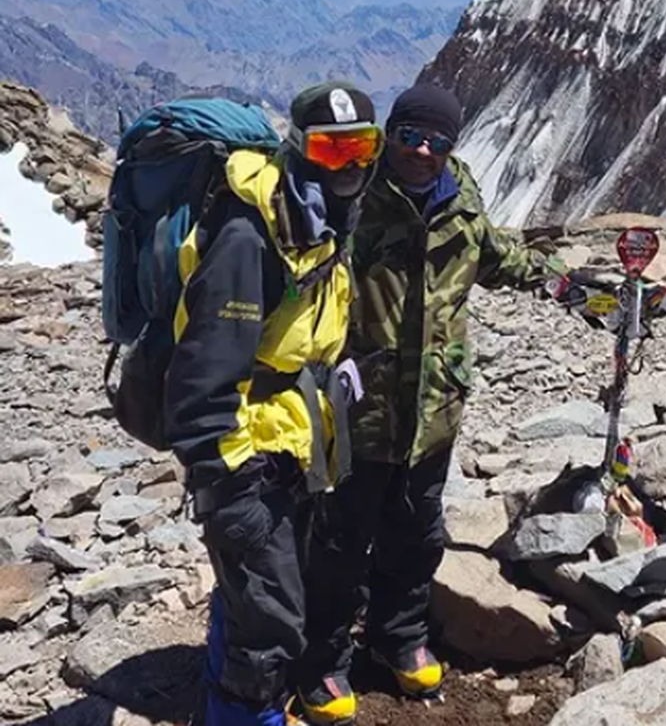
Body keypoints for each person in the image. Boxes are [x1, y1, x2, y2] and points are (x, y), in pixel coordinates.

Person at [294, 84, 569, 722]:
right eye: (409, 136)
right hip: (357, 411)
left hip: (434, 407)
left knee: (416, 532)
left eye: (437, 141)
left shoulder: (460, 195)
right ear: (388, 135)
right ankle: (321, 660)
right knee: (340, 540)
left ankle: (399, 636)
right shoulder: (351, 195)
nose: (422, 151)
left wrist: (563, 282)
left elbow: (492, 255)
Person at [165, 82, 383, 726]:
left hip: (289, 439)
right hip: (247, 454)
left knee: (256, 597)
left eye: (360, 148)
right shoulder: (251, 235)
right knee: (272, 620)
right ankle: (245, 713)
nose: (348, 166)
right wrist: (230, 477)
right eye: (331, 150)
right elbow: (204, 373)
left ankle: (219, 698)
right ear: (299, 149)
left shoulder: (314, 222)